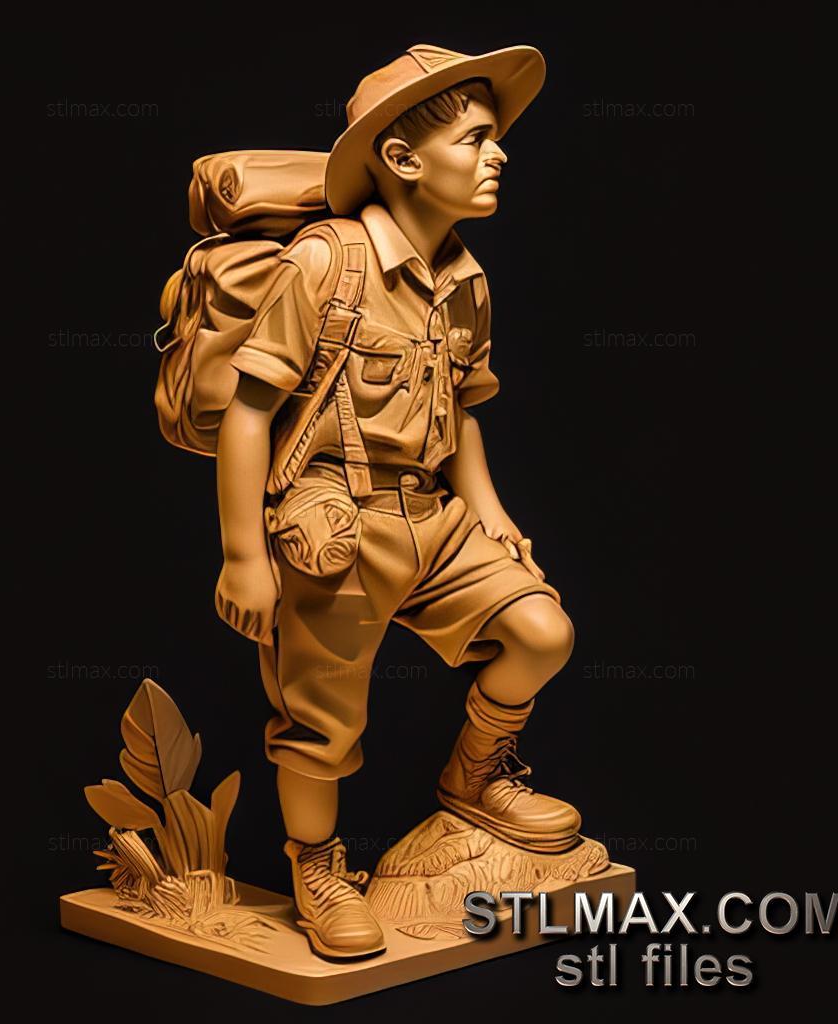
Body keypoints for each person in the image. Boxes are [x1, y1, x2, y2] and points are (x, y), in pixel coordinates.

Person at [214, 44, 579, 962]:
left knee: (542, 632)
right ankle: (317, 866)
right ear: (404, 159)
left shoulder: (466, 279)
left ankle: (474, 776)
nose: (498, 154)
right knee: (320, 728)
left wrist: (489, 509)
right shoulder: (325, 262)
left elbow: (464, 407)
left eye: (494, 138)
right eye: (476, 139)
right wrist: (244, 554)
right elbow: (249, 410)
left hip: (432, 514)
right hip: (334, 519)